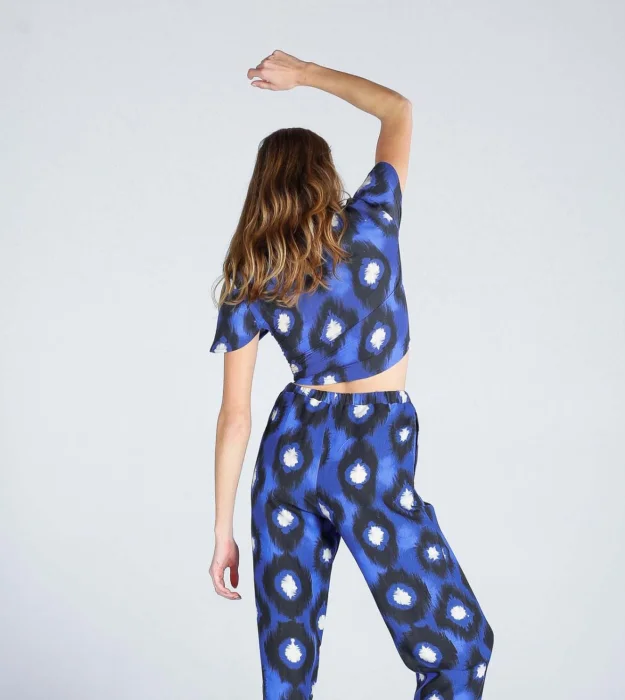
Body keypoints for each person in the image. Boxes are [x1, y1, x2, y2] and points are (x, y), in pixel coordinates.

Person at [208, 50, 494, 700]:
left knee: (287, 680)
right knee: (460, 650)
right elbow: (397, 110)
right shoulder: (373, 222)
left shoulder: (252, 273)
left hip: (287, 451)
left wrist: (223, 534)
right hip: (369, 449)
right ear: (325, 177)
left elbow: (235, 418)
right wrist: (306, 74)